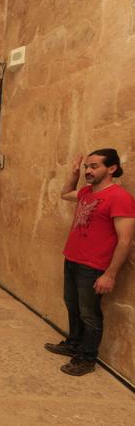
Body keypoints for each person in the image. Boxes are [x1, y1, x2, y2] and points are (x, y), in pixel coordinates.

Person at [45, 149, 135, 376]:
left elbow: (125, 241)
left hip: (93, 266)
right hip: (72, 259)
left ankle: (86, 358)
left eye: (94, 166)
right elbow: (65, 194)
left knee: (89, 313)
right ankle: (73, 343)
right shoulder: (86, 192)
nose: (88, 170)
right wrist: (73, 174)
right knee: (72, 305)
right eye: (87, 166)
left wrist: (110, 274)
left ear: (111, 168)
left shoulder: (120, 197)